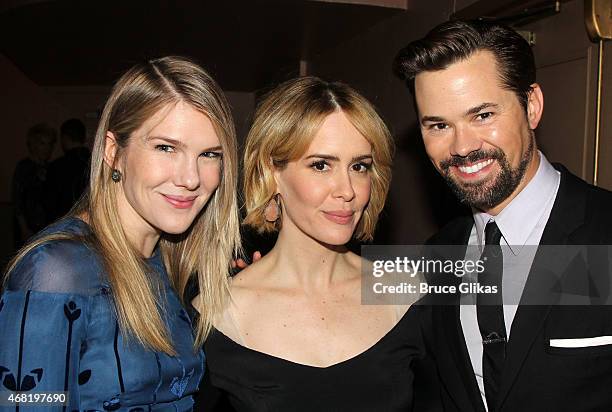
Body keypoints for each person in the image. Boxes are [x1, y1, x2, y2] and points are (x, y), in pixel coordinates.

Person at [394, 19, 612, 411]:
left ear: (532, 106)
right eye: (439, 125)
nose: (462, 147)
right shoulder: (435, 258)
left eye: (483, 116)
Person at [0, 56, 241, 411]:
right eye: (166, 147)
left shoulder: (167, 260)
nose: (191, 178)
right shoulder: (56, 271)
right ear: (114, 152)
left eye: (208, 154)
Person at [200, 76, 424, 412]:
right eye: (321, 165)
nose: (347, 190)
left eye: (359, 166)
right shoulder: (215, 313)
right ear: (271, 173)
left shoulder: (407, 291)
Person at [11, 123, 57, 245]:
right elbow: (17, 200)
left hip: (46, 228)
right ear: (33, 144)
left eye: (50, 144)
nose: (47, 148)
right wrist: (24, 228)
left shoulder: (52, 168)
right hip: (29, 228)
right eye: (42, 143)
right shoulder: (24, 167)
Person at [46, 118, 91, 220]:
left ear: (64, 138)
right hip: (91, 224)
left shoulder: (56, 167)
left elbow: (50, 204)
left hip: (62, 224)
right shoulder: (96, 164)